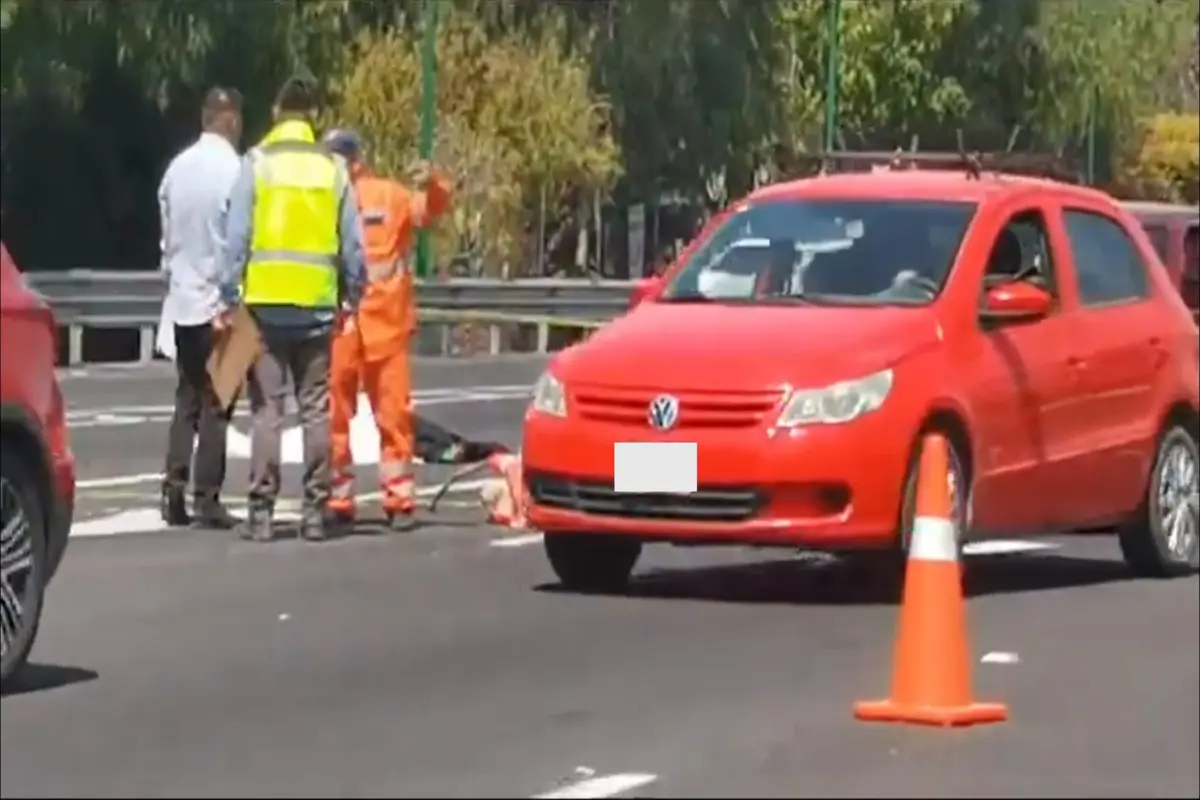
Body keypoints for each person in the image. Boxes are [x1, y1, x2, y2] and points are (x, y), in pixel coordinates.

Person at [219, 75, 366, 543]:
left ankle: (260, 513)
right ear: (312, 117)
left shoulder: (257, 163)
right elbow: (354, 247)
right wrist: (354, 294)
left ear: (277, 112)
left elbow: (236, 236)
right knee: (315, 411)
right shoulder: (333, 169)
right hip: (318, 307)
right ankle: (314, 513)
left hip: (264, 307)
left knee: (267, 412)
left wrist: (228, 295)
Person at [321, 128, 452, 531]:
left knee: (391, 415)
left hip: (380, 325)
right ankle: (341, 499)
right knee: (334, 417)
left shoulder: (386, 195)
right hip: (347, 323)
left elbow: (429, 210)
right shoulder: (322, 200)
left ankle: (396, 498)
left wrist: (434, 181)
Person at [158, 86, 244, 529]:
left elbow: (166, 239)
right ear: (229, 121)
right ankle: (206, 497)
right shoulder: (235, 170)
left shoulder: (177, 169)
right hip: (217, 304)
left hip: (182, 302)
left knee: (187, 398)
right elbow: (237, 242)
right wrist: (233, 301)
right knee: (217, 401)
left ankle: (172, 490)